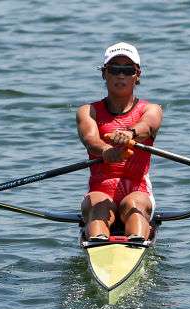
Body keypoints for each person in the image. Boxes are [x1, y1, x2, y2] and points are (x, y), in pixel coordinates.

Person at [77, 42, 163, 242]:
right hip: (100, 190)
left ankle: (137, 242)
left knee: (134, 205)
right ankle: (98, 243)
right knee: (97, 205)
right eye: (115, 69)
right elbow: (91, 140)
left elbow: (147, 127)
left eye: (128, 70)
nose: (121, 75)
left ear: (137, 75)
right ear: (104, 74)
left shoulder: (151, 109)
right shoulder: (88, 111)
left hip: (137, 189)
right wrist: (106, 150)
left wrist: (130, 134)